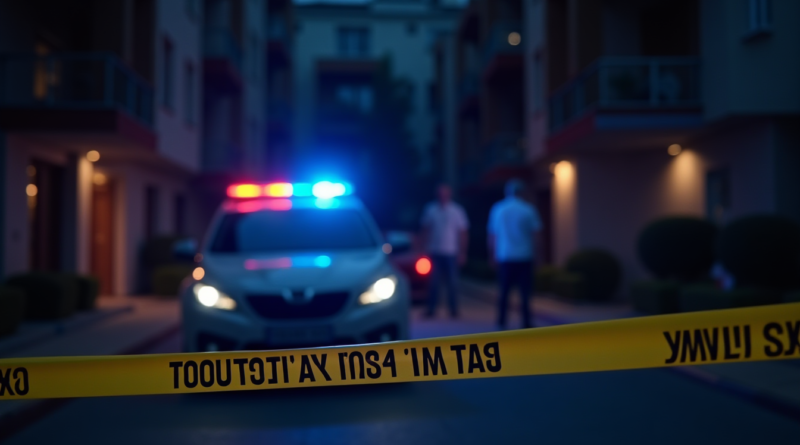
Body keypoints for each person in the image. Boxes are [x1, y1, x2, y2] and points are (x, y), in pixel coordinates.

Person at [488, 179, 542, 329]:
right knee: (525, 293)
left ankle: (501, 322)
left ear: (507, 192)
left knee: (504, 292)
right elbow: (536, 235)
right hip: (525, 256)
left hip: (505, 256)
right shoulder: (529, 209)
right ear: (522, 192)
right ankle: (526, 322)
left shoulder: (498, 209)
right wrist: (539, 256)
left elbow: (492, 235)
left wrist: (491, 255)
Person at [420, 183, 469, 318]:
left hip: (451, 252)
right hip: (434, 251)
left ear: (449, 194)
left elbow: (463, 233)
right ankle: (431, 309)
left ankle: (453, 310)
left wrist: (463, 252)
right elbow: (426, 230)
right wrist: (423, 248)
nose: (442, 196)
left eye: (445, 193)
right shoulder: (430, 209)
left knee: (452, 283)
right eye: (440, 193)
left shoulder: (457, 211)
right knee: (433, 282)